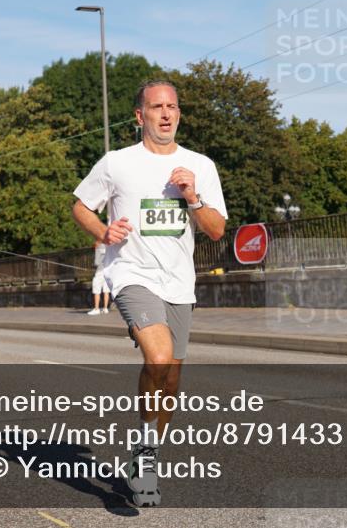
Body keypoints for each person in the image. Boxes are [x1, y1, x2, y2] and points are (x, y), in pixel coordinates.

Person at [71, 79, 227, 507]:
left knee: (171, 375)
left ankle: (148, 451)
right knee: (157, 357)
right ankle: (142, 453)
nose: (165, 114)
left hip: (179, 282)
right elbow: (81, 204)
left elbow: (215, 229)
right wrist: (104, 230)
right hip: (132, 273)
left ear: (178, 113)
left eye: (172, 107)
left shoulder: (200, 165)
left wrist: (192, 196)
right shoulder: (117, 163)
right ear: (140, 116)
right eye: (156, 107)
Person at [87, 241, 111, 315]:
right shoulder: (109, 248)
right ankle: (105, 308)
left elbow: (97, 262)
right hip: (108, 271)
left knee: (96, 289)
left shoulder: (99, 248)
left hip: (100, 272)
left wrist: (94, 264)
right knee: (106, 290)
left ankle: (96, 308)